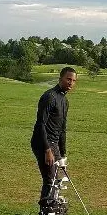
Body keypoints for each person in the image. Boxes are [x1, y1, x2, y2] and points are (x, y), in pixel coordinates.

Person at [30, 67, 76, 203]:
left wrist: (63, 155)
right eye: (68, 79)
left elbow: (62, 129)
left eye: (73, 80)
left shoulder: (64, 101)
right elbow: (40, 124)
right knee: (50, 180)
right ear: (60, 78)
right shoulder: (49, 97)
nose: (71, 83)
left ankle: (51, 212)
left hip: (54, 143)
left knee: (57, 180)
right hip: (42, 143)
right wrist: (47, 150)